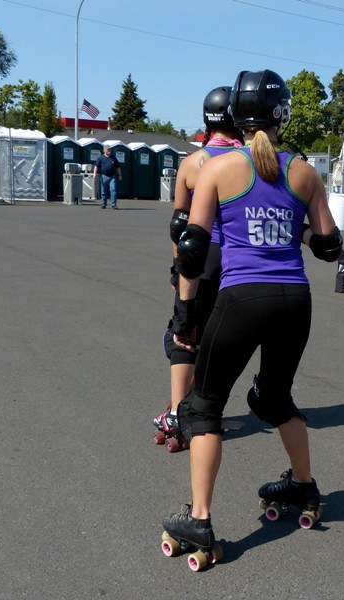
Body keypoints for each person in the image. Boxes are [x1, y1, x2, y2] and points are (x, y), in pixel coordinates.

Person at [161, 69, 343, 554]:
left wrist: (184, 315)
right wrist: (295, 233)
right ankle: (303, 485)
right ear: (282, 114)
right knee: (272, 398)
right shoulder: (303, 170)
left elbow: (193, 251)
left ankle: (199, 520)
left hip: (242, 298)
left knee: (203, 408)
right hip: (293, 300)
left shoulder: (216, 169)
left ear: (236, 117)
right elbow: (329, 246)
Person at [153, 86, 244, 451]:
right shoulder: (247, 159)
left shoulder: (192, 163)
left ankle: (178, 413)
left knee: (183, 333)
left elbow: (179, 225)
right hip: (237, 261)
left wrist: (179, 271)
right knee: (212, 338)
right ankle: (195, 408)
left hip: (200, 258)